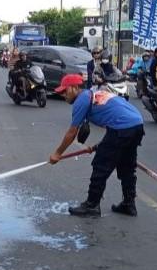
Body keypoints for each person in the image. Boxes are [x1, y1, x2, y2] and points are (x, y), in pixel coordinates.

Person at [49, 74, 145, 218]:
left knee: (100, 165)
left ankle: (92, 206)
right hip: (136, 124)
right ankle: (129, 204)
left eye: (65, 91)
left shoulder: (81, 100)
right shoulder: (94, 94)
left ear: (74, 88)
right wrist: (98, 146)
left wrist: (57, 153)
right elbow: (113, 124)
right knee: (127, 166)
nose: (63, 95)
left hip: (122, 127)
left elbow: (72, 132)